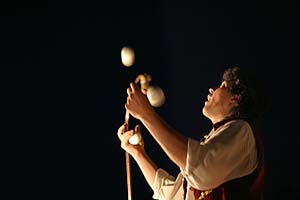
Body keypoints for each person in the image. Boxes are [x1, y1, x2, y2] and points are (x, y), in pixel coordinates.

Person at [117, 67, 270, 200]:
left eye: (223, 86)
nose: (212, 89)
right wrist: (138, 153)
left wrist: (147, 114)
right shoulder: (217, 142)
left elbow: (200, 169)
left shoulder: (243, 130)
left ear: (236, 99)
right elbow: (173, 195)